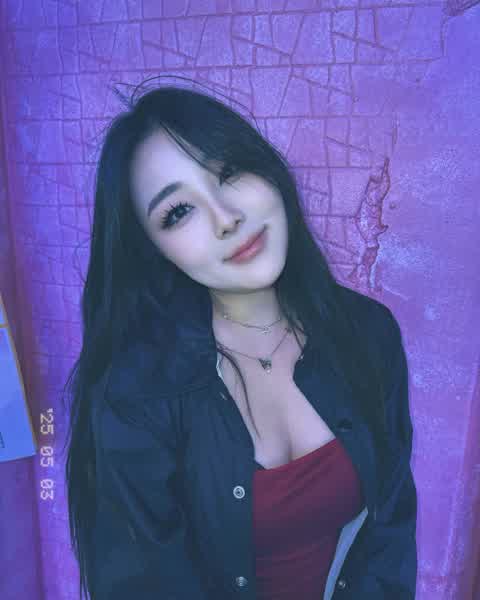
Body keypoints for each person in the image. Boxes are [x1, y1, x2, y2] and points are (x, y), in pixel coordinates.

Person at [62, 79, 417, 599]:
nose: (226, 219)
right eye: (178, 211)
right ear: (154, 250)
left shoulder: (368, 333)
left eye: (230, 171)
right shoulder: (136, 393)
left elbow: (391, 527)